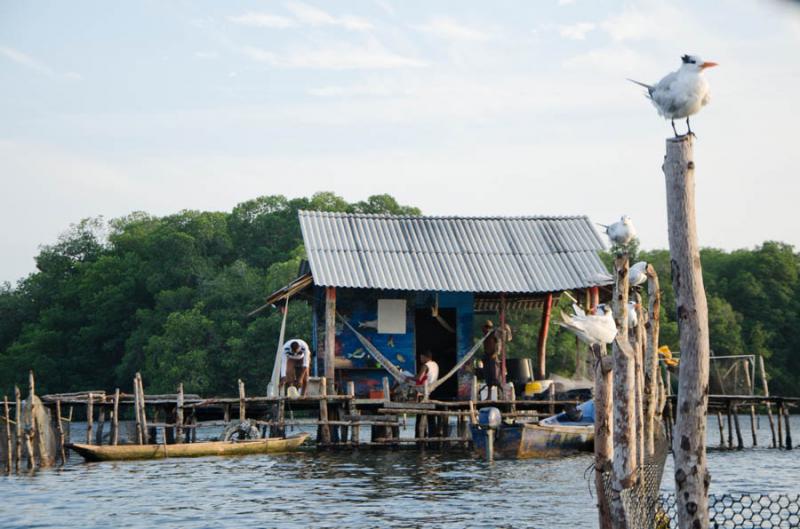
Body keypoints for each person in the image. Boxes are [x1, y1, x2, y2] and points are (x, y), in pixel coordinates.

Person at [481, 320, 501, 394]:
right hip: (487, 357)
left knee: (495, 377)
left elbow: (498, 344)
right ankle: (489, 396)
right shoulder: (485, 336)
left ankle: (503, 393)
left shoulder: (493, 334)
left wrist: (496, 353)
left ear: (488, 328)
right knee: (488, 378)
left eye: (485, 328)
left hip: (493, 357)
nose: (484, 330)